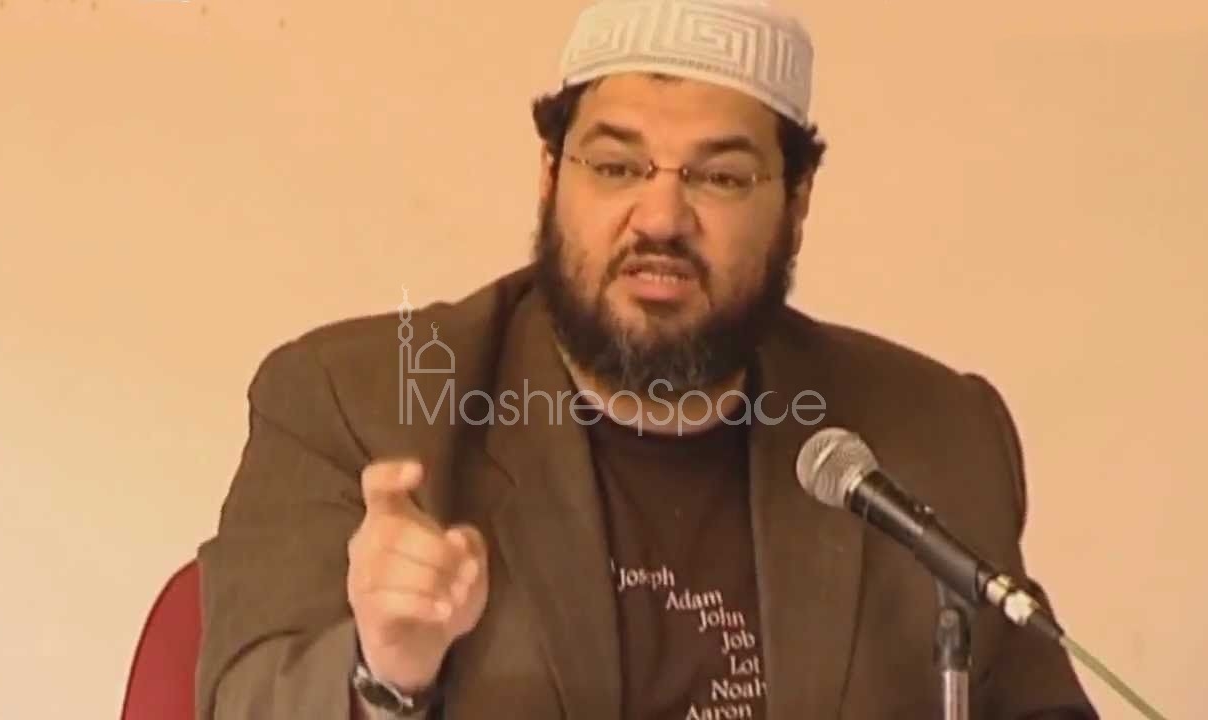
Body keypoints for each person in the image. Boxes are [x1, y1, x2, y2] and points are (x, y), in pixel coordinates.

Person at [194, 1, 1100, 718]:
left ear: (796, 204)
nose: (662, 219)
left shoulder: (933, 431)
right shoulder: (357, 401)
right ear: (551, 176)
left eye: (721, 176)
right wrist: (384, 673)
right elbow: (243, 702)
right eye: (617, 167)